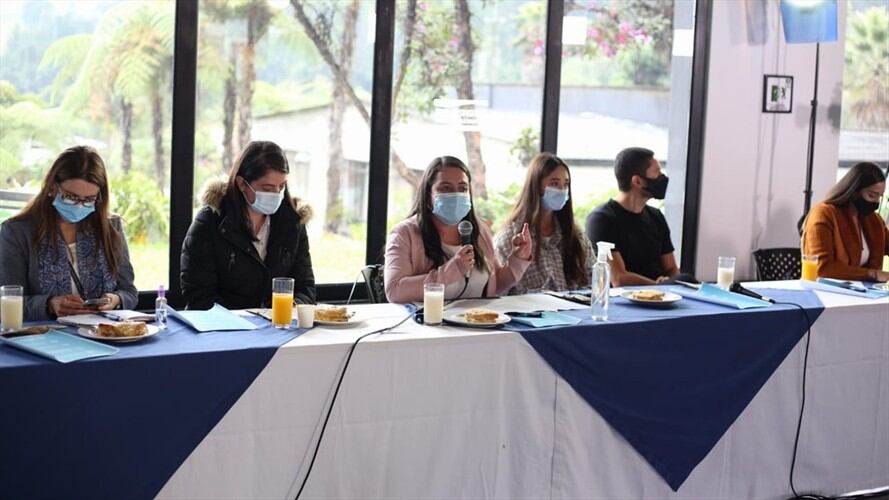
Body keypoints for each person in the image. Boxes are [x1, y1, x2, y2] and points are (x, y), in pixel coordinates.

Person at [0, 146, 138, 320]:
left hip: (102, 330)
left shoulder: (111, 227)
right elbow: (6, 301)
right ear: (52, 188)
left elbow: (129, 291)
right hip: (44, 333)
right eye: (71, 197)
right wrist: (50, 304)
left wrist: (114, 300)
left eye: (89, 199)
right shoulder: (17, 232)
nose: (79, 205)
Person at [181, 141, 316, 309]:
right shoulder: (211, 221)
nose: (276, 194)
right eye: (267, 188)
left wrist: (289, 309)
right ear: (242, 183)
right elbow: (198, 294)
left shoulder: (292, 222)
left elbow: (305, 288)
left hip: (278, 322)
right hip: (223, 323)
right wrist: (243, 318)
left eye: (281, 187)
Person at [385, 156, 532, 303]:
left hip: (476, 317)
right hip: (428, 317)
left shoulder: (479, 231)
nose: (456, 195)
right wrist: (449, 272)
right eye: (446, 188)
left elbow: (494, 284)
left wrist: (519, 259)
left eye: (462, 188)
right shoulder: (404, 234)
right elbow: (394, 291)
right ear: (428, 195)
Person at [494, 153, 593, 294]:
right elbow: (498, 293)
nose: (562, 190)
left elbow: (594, 282)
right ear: (536, 186)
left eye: (566, 184)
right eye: (554, 184)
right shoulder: (510, 238)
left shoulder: (575, 234)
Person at [585, 147, 684, 286]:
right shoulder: (601, 219)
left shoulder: (656, 216)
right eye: (657, 172)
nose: (662, 178)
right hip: (626, 297)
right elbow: (618, 278)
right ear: (637, 181)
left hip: (661, 295)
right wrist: (658, 288)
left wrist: (672, 286)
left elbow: (671, 268)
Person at [802, 162, 889, 282]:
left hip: (863, 290)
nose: (876, 202)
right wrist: (873, 274)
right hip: (827, 289)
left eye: (880, 196)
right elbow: (822, 267)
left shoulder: (874, 220)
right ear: (854, 191)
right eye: (871, 195)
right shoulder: (823, 214)